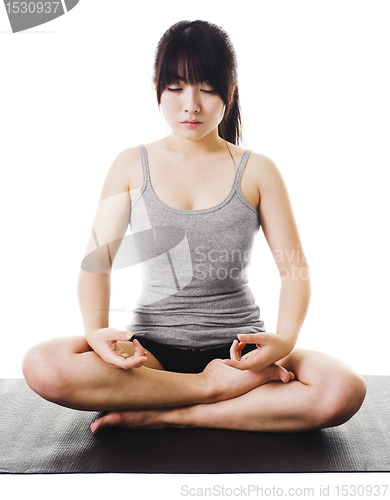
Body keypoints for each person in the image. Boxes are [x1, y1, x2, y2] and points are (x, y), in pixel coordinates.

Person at [22, 20, 366, 434]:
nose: (191, 105)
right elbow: (97, 263)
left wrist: (285, 340)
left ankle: (174, 413)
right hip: (150, 354)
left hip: (240, 353)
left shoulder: (258, 170)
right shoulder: (131, 165)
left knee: (342, 390)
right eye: (176, 88)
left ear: (230, 92)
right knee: (42, 365)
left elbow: (294, 270)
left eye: (206, 88)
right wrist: (96, 333)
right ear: (157, 88)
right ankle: (209, 389)